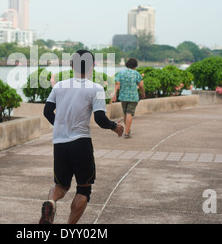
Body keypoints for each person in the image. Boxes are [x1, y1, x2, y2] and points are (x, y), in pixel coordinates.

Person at [39, 50, 124, 224]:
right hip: (81, 143)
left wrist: (62, 126)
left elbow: (47, 111)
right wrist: (115, 126)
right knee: (83, 189)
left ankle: (51, 202)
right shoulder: (96, 88)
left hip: (60, 143)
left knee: (61, 185)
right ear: (92, 66)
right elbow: (100, 119)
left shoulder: (59, 86)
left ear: (72, 66)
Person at [111, 58, 145, 139]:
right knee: (129, 113)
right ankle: (126, 132)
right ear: (135, 65)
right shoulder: (136, 73)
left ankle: (127, 129)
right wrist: (143, 93)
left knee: (125, 113)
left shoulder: (121, 73)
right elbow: (141, 85)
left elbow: (117, 83)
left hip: (123, 96)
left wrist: (114, 94)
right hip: (133, 97)